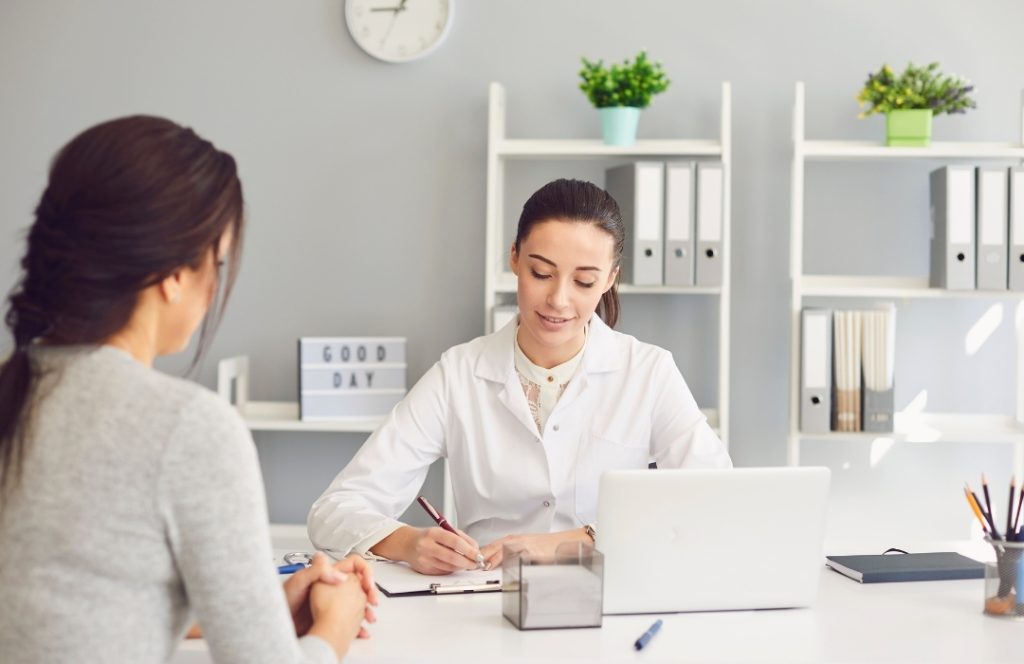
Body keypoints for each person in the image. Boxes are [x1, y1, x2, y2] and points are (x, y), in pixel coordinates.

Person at [0, 116, 377, 663]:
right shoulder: (185, 428)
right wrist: (336, 624)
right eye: (216, 262)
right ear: (176, 273)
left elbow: (62, 613)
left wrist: (255, 608)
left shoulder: (15, 389)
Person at [308, 178, 731, 575]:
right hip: (486, 600)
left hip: (609, 598)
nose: (559, 300)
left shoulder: (648, 372)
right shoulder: (458, 375)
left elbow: (716, 497)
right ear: (514, 257)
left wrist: (576, 541)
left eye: (584, 281)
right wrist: (407, 542)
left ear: (610, 279)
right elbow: (335, 509)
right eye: (541, 273)